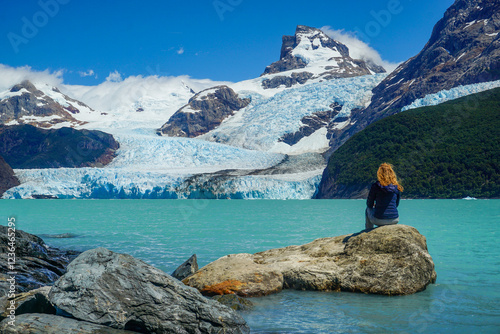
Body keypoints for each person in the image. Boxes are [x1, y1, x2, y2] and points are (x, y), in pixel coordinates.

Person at [365, 163, 404, 230]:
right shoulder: (396, 187)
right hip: (394, 219)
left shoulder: (376, 186)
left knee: (368, 209)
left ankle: (369, 230)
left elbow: (369, 204)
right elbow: (396, 204)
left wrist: (376, 206)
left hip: (378, 220)